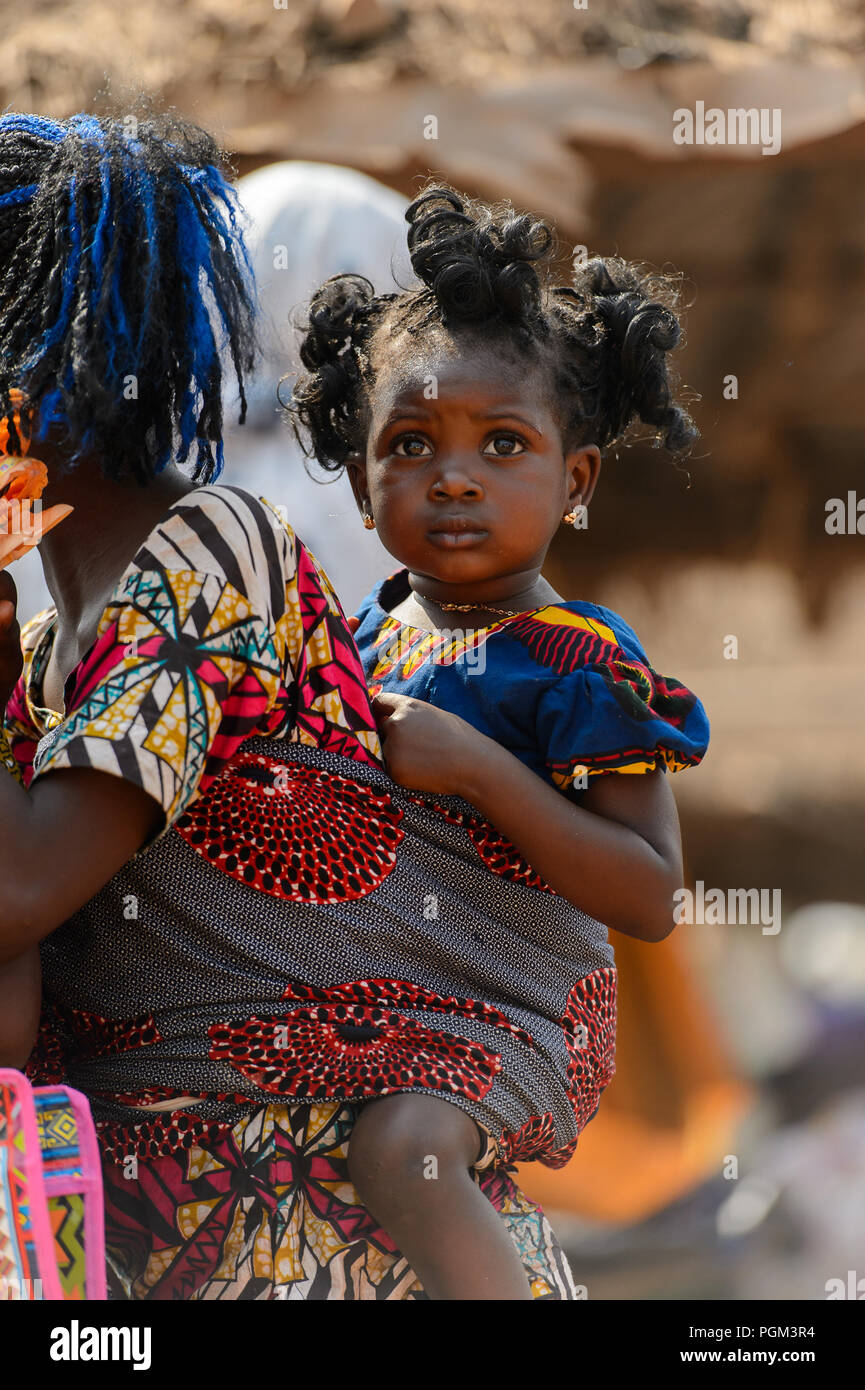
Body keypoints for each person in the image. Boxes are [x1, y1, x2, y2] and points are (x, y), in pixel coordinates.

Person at [0, 111, 581, 1300]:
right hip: (171, 1244)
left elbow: (19, 885)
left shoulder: (214, 554)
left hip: (345, 1238)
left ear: (39, 362)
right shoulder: (46, 650)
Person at [287, 183, 711, 1298]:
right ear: (357, 472)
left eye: (503, 442)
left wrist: (478, 771)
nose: (455, 474)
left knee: (400, 1152)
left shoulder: (577, 663)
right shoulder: (363, 636)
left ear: (573, 482)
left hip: (518, 1013)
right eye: (411, 443)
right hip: (378, 1008)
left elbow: (650, 892)